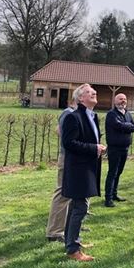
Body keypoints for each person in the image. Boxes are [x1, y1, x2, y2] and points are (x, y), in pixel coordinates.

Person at [61, 84, 106, 262]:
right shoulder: (74, 117)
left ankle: (72, 241)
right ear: (80, 98)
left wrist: (99, 148)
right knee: (80, 207)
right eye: (89, 92)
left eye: (94, 91)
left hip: (89, 166)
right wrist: (94, 148)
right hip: (78, 168)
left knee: (76, 206)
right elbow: (69, 143)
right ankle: (73, 249)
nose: (94, 93)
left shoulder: (93, 116)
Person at [45, 99, 76, 242]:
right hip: (67, 157)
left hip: (76, 158)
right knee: (62, 192)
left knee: (72, 194)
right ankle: (54, 231)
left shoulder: (77, 114)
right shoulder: (68, 113)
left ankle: (69, 225)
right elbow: (61, 133)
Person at [104, 93, 134, 208]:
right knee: (112, 172)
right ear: (115, 101)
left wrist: (125, 126)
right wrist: (127, 126)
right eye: (120, 99)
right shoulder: (111, 114)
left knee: (119, 172)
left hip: (125, 148)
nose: (123, 101)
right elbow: (118, 126)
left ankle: (114, 194)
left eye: (124, 99)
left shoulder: (127, 113)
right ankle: (108, 199)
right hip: (114, 148)